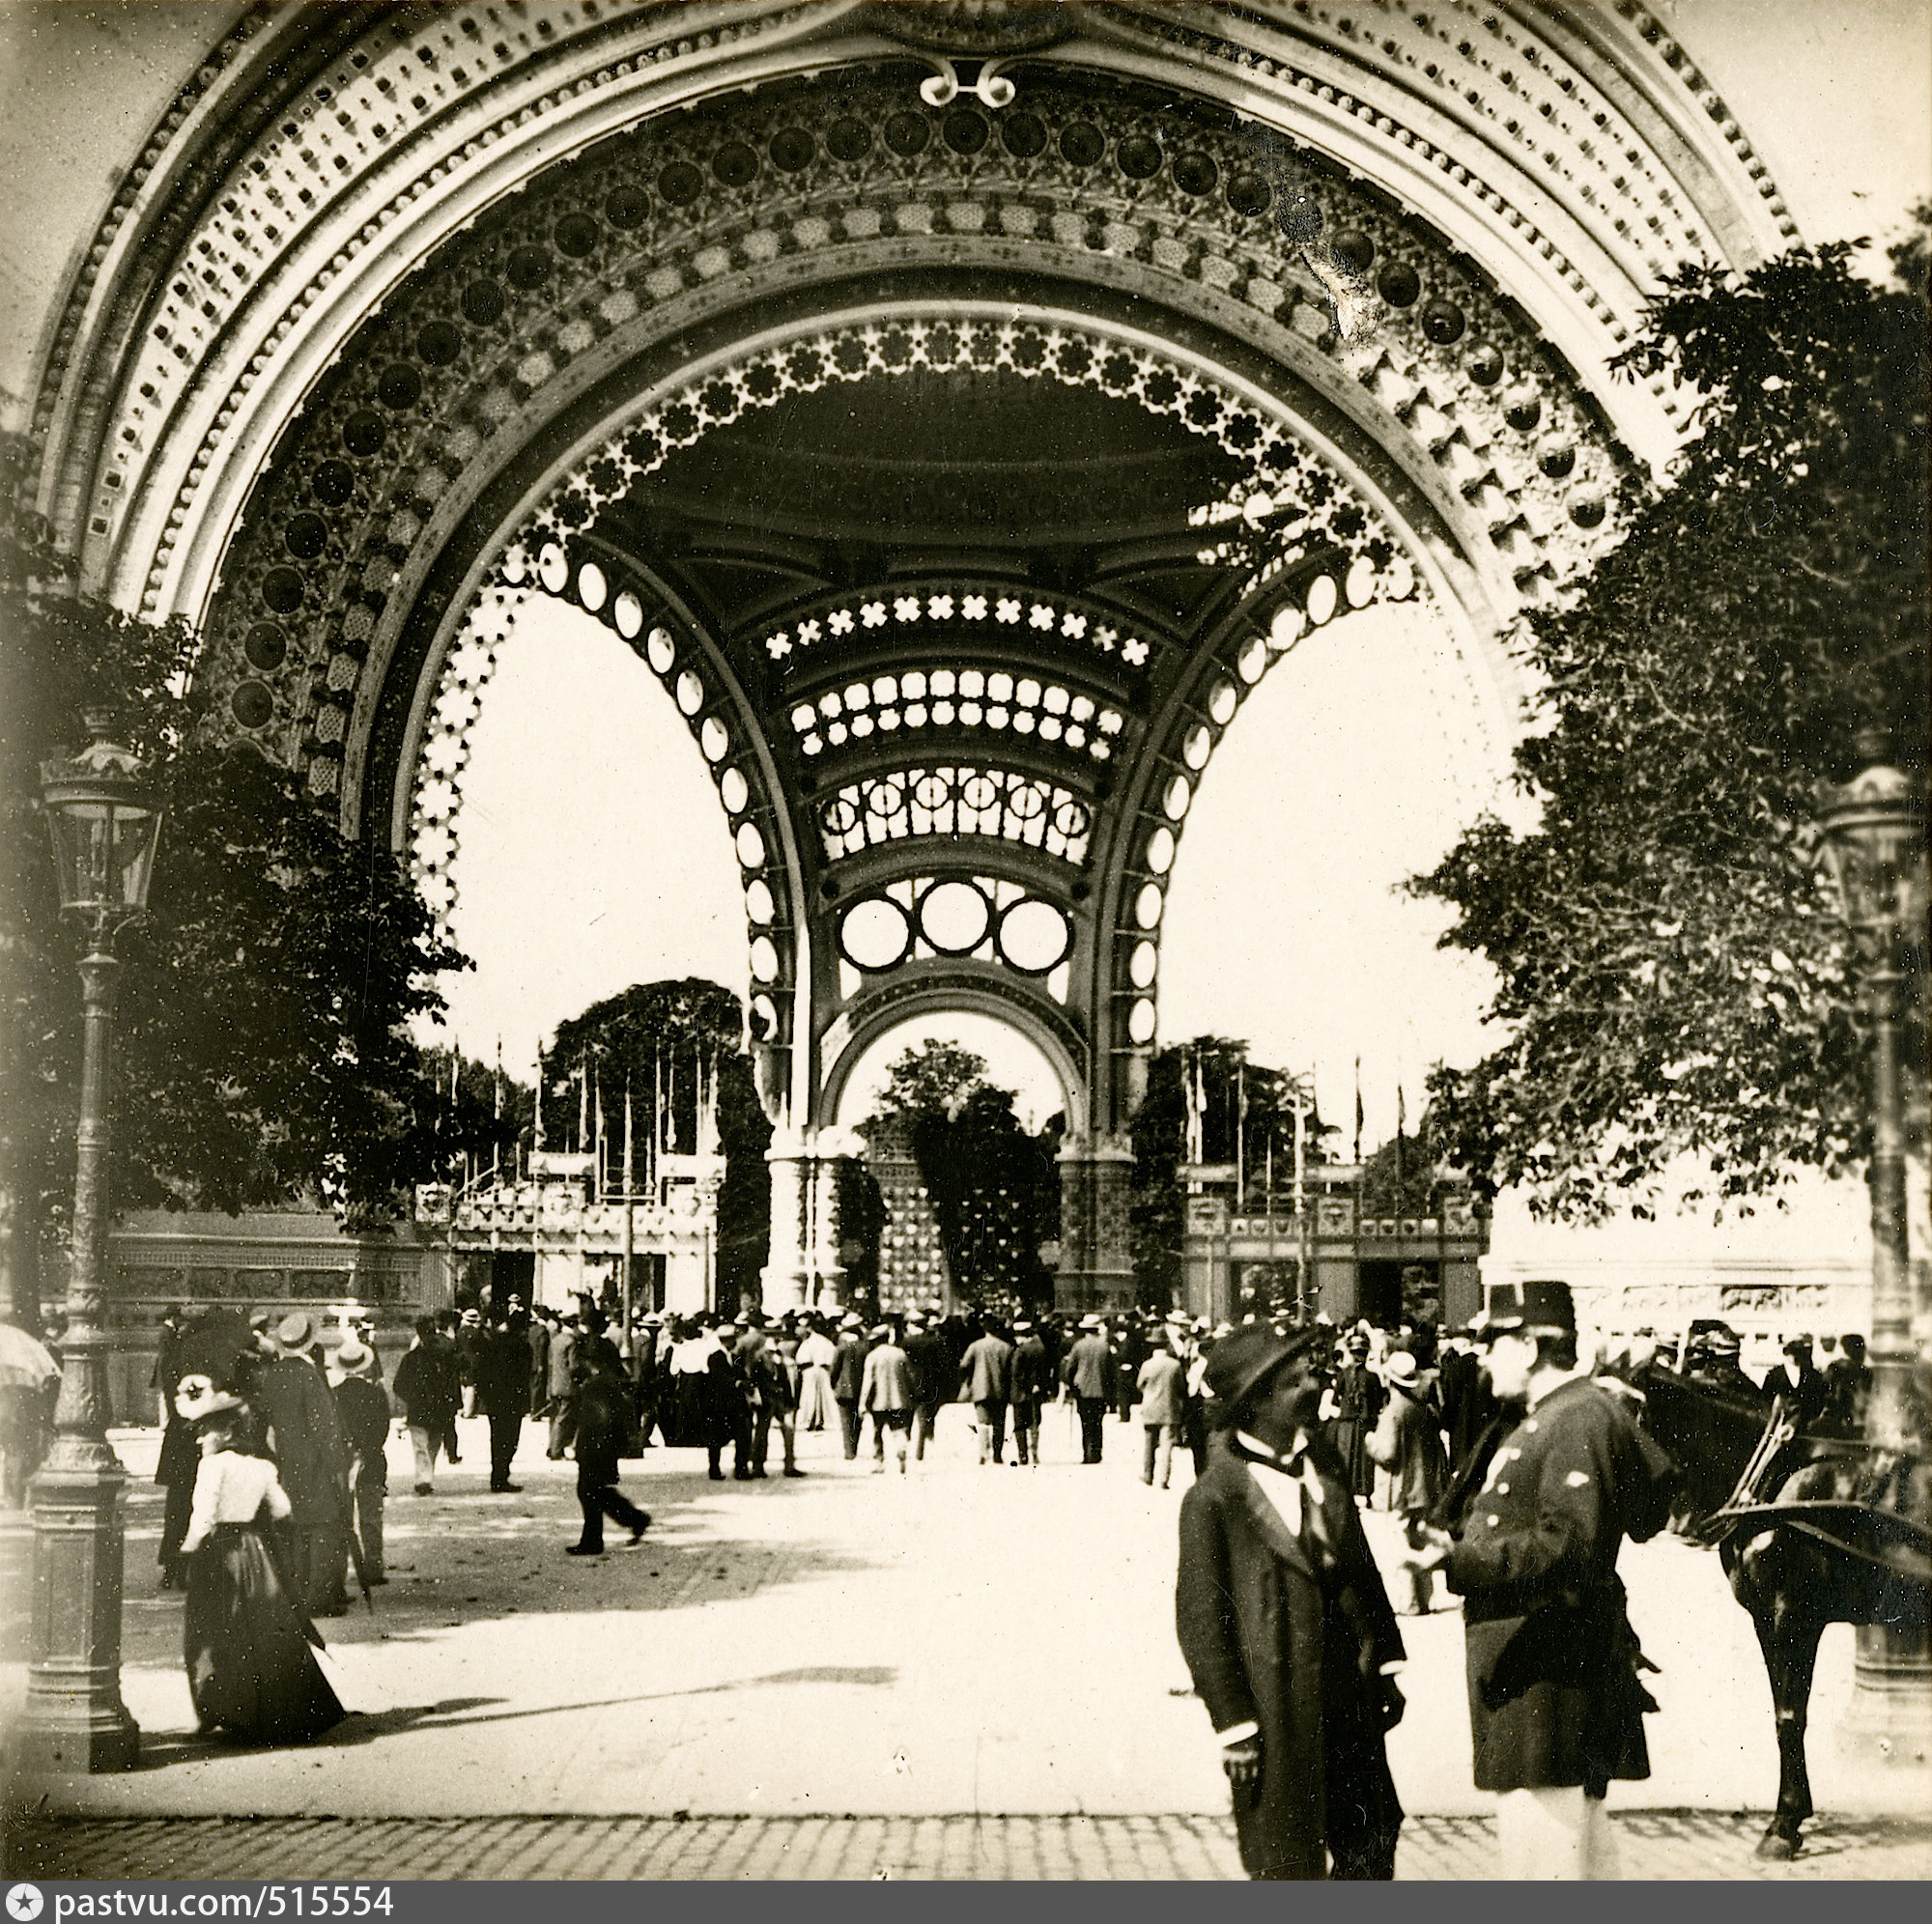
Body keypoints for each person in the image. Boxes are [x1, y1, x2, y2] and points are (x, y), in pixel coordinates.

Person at [1411, 1279, 1676, 1881]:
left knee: (1543, 1862)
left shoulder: (1574, 1419)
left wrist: (1459, 1561)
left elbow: (1568, 1545)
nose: (1480, 1354)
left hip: (1547, 1669)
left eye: (1492, 1340)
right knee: (1576, 1861)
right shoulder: (1557, 1416)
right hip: (1543, 1667)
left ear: (1529, 1347)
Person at [1176, 1324, 1407, 1881]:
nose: (1312, 1386)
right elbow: (1203, 1621)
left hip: (1349, 1700)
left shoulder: (1324, 1467)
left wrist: (1386, 1665)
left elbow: (1363, 1572)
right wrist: (1234, 1724)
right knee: (1284, 1856)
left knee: (1371, 1844)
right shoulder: (1214, 1497)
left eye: (1310, 1374)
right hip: (1276, 1709)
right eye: (1293, 1382)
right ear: (1255, 1403)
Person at [174, 1372, 345, 1744]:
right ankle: (272, 1710)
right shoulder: (261, 1467)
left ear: (225, 1430)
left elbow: (203, 1518)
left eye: (205, 1430)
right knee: (265, 1629)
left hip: (219, 1552)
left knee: (210, 1629)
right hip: (255, 1549)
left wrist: (187, 1551)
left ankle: (218, 1708)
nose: (200, 1438)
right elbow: (282, 1507)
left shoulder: (212, 1466)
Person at [254, 1313, 352, 1617]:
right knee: (324, 1527)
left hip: (285, 1459)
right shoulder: (309, 1376)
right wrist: (338, 1465)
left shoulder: (273, 1374)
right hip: (316, 1462)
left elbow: (265, 1420)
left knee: (295, 1529)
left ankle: (296, 1594)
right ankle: (320, 1597)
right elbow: (325, 1427)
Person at [1365, 1349, 1447, 1615]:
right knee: (1418, 1540)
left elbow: (1387, 1453)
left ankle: (1409, 1601)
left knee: (1400, 1543)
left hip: (1400, 1488)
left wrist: (1370, 1444)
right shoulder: (1423, 1408)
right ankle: (1426, 1598)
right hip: (1423, 1486)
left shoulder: (1393, 1412)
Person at [567, 1347, 652, 1555]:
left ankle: (593, 1541)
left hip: (596, 1446)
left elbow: (599, 1419)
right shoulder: (606, 1382)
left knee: (588, 1491)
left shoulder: (598, 1385)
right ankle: (635, 1518)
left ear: (592, 1361)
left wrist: (591, 1445)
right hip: (602, 1446)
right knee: (597, 1491)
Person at [328, 1339, 389, 1589]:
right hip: (372, 1460)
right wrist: (368, 1449)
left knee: (342, 1519)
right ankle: (374, 1566)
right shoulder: (376, 1393)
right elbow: (382, 1428)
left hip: (343, 1463)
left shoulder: (334, 1395)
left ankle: (338, 1572)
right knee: (371, 1517)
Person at [390, 1316, 461, 1494]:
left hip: (428, 1409)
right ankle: (424, 1479)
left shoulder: (441, 1356)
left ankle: (426, 1476)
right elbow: (399, 1385)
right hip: (426, 1409)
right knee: (424, 1445)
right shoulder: (415, 1358)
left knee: (430, 1445)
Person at [472, 1310, 531, 1492]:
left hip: (495, 1400)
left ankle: (497, 1476)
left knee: (497, 1438)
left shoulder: (493, 1343)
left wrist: (485, 1394)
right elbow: (526, 1374)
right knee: (511, 1439)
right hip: (514, 1400)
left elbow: (481, 1370)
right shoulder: (523, 1346)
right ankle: (501, 1476)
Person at [859, 1322, 915, 1475]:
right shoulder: (900, 1353)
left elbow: (868, 1382)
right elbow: (910, 1376)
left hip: (879, 1402)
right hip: (899, 1400)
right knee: (898, 1429)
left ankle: (879, 1462)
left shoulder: (872, 1356)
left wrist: (862, 1404)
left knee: (877, 1432)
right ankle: (901, 1450)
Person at [1062, 1315, 1118, 1464]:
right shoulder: (1104, 1346)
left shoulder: (1079, 1346)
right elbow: (1111, 1370)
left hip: (1083, 1390)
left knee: (1085, 1422)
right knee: (1098, 1422)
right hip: (1100, 1389)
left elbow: (1070, 1368)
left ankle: (1087, 1453)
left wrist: (1070, 1384)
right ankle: (1097, 1452)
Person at [960, 1317, 1013, 1466]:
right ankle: (997, 1455)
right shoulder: (1006, 1347)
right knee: (999, 1423)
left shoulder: (975, 1346)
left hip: (980, 1389)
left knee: (983, 1423)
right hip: (1000, 1390)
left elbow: (964, 1365)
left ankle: (983, 1453)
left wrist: (969, 1380)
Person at [1136, 1336, 1184, 1488]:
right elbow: (1181, 1388)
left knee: (1149, 1444)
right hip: (1169, 1409)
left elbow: (1139, 1384)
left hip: (1150, 1408)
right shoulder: (1175, 1365)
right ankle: (1164, 1479)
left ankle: (1148, 1474)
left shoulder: (1147, 1365)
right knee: (1166, 1446)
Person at [903, 1314, 950, 1464]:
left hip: (909, 1383)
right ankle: (920, 1449)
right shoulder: (934, 1342)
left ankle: (907, 1442)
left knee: (907, 1415)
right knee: (925, 1416)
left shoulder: (905, 1342)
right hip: (928, 1383)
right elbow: (942, 1364)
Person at [1009, 1318, 1049, 1469]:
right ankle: (1035, 1452)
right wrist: (1038, 1386)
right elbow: (1044, 1371)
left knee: (1019, 1425)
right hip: (1036, 1392)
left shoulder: (1020, 1350)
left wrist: (1027, 1386)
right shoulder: (1040, 1348)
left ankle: (1023, 1455)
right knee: (1034, 1423)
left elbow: (1016, 1373)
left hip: (1020, 1393)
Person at [1768, 1336, 1831, 1429]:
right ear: (1785, 1352)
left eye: (1798, 1352)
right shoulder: (1774, 1375)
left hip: (1805, 1428)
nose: (1795, 1356)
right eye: (1792, 1352)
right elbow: (1766, 1401)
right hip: (1777, 1428)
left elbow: (1819, 1401)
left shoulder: (1813, 1375)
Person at [830, 1313, 867, 1460]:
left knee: (845, 1421)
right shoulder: (865, 1347)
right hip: (860, 1387)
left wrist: (833, 1384)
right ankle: (855, 1447)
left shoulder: (841, 1348)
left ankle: (849, 1451)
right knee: (857, 1420)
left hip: (843, 1388)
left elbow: (834, 1369)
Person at [544, 1310, 580, 1458]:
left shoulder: (555, 1340)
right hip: (568, 1386)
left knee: (555, 1417)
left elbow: (550, 1364)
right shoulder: (572, 1341)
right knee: (563, 1418)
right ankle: (557, 1450)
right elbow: (574, 1366)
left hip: (554, 1384)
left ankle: (551, 1446)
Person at [796, 1317, 838, 1432]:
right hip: (819, 1370)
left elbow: (801, 1359)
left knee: (812, 1396)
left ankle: (813, 1420)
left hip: (813, 1371)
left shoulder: (811, 1342)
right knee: (817, 1396)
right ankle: (816, 1420)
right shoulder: (823, 1341)